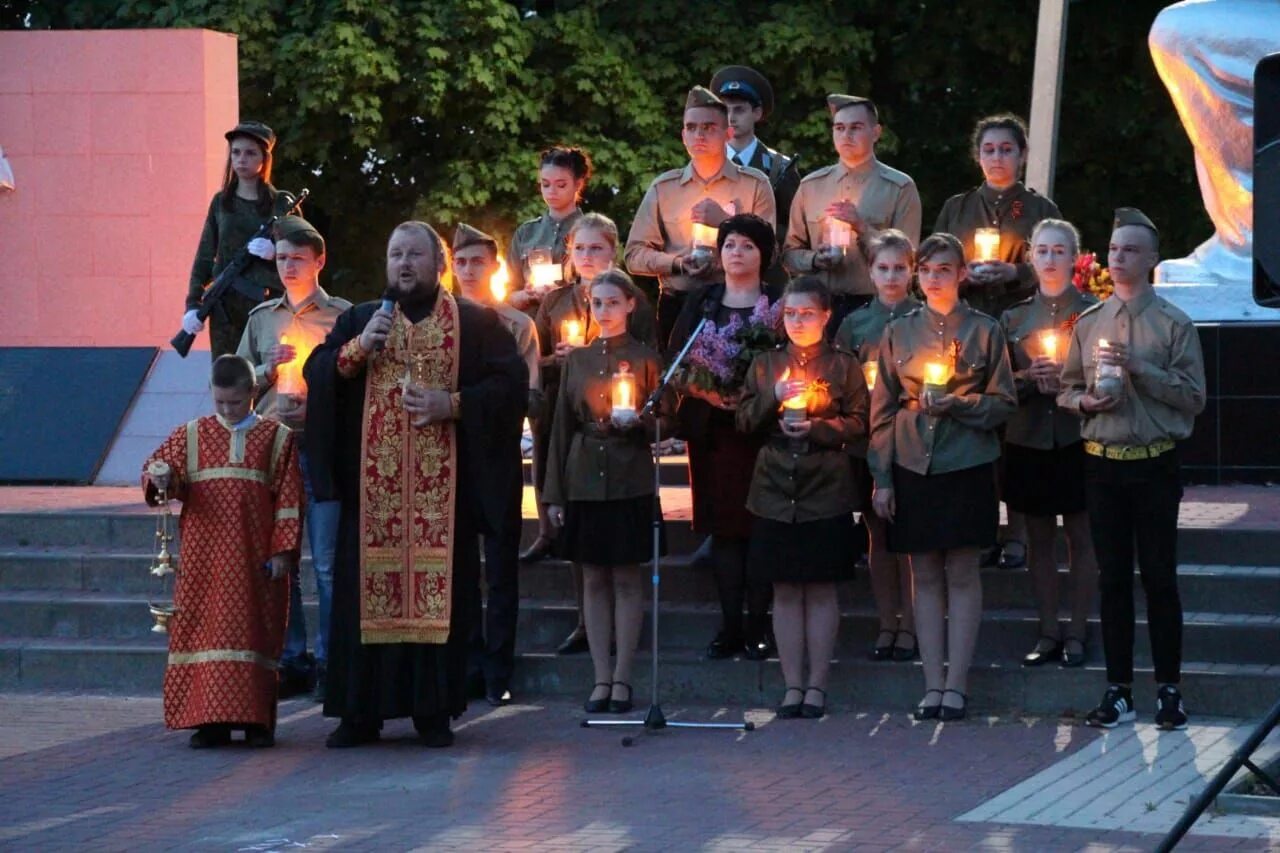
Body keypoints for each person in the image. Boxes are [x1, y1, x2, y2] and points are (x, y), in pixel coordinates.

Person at [303, 221, 527, 748]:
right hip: (373, 500)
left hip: (442, 501)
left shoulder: (474, 323)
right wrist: (355, 351)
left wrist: (452, 404)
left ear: (438, 264)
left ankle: (433, 712)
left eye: (414, 255)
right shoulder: (362, 320)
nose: (403, 264)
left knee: (440, 599)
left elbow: (511, 386)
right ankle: (360, 713)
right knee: (364, 598)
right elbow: (318, 373)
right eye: (394, 254)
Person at [1057, 208, 1206, 730]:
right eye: (1114, 249)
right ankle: (1118, 688)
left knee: (1160, 577)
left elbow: (1194, 397)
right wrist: (1083, 404)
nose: (1118, 258)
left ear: (1150, 260)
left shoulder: (1172, 323)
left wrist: (1141, 368)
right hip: (1103, 463)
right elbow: (1066, 386)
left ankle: (1170, 687)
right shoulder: (1090, 322)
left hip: (1154, 462)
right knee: (1113, 579)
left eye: (1129, 251)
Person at [869, 233, 1016, 722]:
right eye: (926, 270)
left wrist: (962, 404)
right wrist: (882, 477)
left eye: (944, 269)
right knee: (924, 573)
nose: (934, 278)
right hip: (913, 462)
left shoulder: (985, 331)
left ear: (962, 274)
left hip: (967, 462)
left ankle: (957, 684)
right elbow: (883, 410)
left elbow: (1003, 403)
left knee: (963, 570)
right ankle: (931, 683)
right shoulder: (899, 331)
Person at [141, 354, 302, 748]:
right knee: (202, 631)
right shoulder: (191, 435)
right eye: (219, 403)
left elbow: (289, 499)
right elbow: (159, 474)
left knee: (255, 632)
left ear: (252, 392)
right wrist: (160, 476)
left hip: (254, 558)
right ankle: (207, 721)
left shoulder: (276, 437)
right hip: (203, 559)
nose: (227, 410)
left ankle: (256, 723)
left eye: (235, 402)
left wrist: (283, 551)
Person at [934, 113, 1061, 572]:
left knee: (1018, 431)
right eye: (989, 150)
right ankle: (981, 529)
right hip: (969, 328)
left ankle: (1019, 533)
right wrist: (962, 274)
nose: (997, 158)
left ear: (1022, 155)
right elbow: (936, 260)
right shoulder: (959, 207)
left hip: (1023, 328)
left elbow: (1057, 261)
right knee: (975, 429)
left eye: (1006, 149)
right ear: (977, 155)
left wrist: (1018, 272)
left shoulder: (1039, 209)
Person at [527, 213, 658, 655]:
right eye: (580, 249)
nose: (587, 257)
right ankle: (586, 621)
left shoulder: (630, 301)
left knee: (618, 561)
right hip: (565, 417)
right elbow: (535, 359)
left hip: (619, 443)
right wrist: (559, 362)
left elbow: (645, 367)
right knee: (577, 536)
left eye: (596, 248)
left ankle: (614, 634)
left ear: (613, 251)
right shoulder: (556, 300)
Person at [738, 277, 869, 719]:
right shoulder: (764, 364)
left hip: (825, 486)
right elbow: (743, 420)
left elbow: (860, 422)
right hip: (774, 486)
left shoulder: (843, 365)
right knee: (786, 588)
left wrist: (820, 428)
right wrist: (772, 398)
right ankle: (792, 684)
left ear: (826, 316)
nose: (797, 322)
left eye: (806, 313)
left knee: (820, 587)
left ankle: (817, 685)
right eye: (790, 314)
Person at [236, 215, 351, 702]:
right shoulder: (262, 320)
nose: (288, 266)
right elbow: (234, 383)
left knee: (326, 559)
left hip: (323, 446)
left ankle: (331, 658)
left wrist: (321, 390)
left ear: (319, 261)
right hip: (274, 446)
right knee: (282, 557)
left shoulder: (342, 316)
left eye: (297, 258)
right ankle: (291, 656)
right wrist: (267, 368)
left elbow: (355, 378)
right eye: (281, 258)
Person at [543, 270, 669, 715]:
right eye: (597, 303)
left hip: (629, 474)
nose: (605, 311)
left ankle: (623, 676)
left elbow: (665, 423)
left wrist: (642, 422)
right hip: (583, 476)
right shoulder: (576, 361)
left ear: (630, 305)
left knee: (627, 577)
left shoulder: (647, 358)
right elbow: (560, 428)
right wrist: (553, 495)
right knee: (593, 577)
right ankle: (600, 676)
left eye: (613, 302)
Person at [668, 213, 782, 661]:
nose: (737, 252)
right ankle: (729, 624)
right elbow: (678, 359)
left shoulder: (776, 303)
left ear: (764, 255)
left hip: (760, 433)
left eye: (748, 245)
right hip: (713, 432)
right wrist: (709, 392)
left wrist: (754, 395)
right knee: (726, 532)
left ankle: (759, 625)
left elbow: (793, 356)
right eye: (730, 244)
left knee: (759, 531)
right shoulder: (703, 301)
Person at [999, 219, 1099, 669]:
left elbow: (1110, 376)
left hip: (1080, 438)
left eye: (1059, 251)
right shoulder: (1014, 318)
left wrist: (1073, 382)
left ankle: (1077, 631)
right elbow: (996, 385)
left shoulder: (1097, 313)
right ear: (1030, 258)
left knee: (1082, 538)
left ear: (1073, 257)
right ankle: (1047, 630)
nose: (1050, 259)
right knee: (1038, 539)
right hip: (1029, 438)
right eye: (1042, 251)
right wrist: (1026, 379)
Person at [451, 222, 539, 706]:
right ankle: (466, 662)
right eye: (460, 262)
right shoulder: (440, 323)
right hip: (452, 453)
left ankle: (498, 667)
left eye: (477, 262)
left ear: (495, 266)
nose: (468, 271)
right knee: (461, 567)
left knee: (502, 566)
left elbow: (527, 394)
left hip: (499, 454)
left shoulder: (516, 324)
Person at [625, 85, 776, 348]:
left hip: (737, 304)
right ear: (683, 135)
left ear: (728, 133)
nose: (699, 135)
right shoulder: (665, 187)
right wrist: (677, 262)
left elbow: (772, 253)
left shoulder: (754, 184)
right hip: (679, 302)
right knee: (677, 380)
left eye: (709, 127)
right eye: (692, 127)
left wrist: (727, 224)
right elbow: (634, 256)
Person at [834, 229, 920, 663]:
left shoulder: (924, 318)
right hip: (866, 439)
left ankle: (913, 624)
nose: (890, 276)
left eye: (899, 268)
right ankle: (888, 621)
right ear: (869, 271)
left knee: (909, 536)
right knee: (877, 534)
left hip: (911, 439)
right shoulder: (854, 324)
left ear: (913, 270)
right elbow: (839, 380)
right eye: (882, 268)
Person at [782, 95, 922, 336]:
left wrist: (862, 227)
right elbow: (788, 254)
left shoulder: (899, 187)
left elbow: (910, 257)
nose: (846, 135)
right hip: (820, 308)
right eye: (839, 128)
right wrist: (816, 259)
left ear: (876, 132)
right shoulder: (811, 186)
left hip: (877, 307)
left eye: (856, 128)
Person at [184, 121, 300, 358]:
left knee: (268, 377)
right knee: (228, 377)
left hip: (270, 307)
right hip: (225, 309)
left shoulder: (282, 203)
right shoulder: (221, 203)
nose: (241, 159)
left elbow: (305, 254)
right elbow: (205, 256)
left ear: (264, 158)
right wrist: (193, 305)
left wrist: (276, 252)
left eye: (250, 153)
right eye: (236, 152)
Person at [710, 65, 801, 286]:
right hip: (714, 279)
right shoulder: (704, 165)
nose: (731, 118)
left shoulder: (780, 168)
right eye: (725, 110)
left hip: (767, 281)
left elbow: (794, 232)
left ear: (757, 113)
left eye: (739, 110)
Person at [506, 146, 590, 313]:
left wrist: (560, 295)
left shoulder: (591, 231)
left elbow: (607, 288)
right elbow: (507, 293)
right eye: (545, 184)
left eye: (560, 185)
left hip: (576, 326)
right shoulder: (526, 233)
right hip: (531, 328)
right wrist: (526, 295)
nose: (551, 192)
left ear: (578, 184)